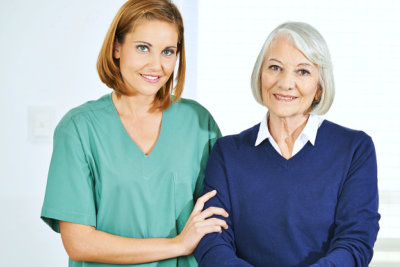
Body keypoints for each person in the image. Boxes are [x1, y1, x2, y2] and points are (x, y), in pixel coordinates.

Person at [40, 1, 229, 266]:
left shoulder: (198, 123)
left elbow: (220, 218)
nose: (156, 65)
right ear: (117, 47)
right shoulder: (79, 129)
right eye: (143, 48)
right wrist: (177, 244)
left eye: (167, 51)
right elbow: (79, 243)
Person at [194, 22, 380, 267]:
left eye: (302, 71)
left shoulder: (355, 149)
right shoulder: (227, 153)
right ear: (260, 75)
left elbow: (356, 242)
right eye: (275, 67)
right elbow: (211, 241)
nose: (285, 83)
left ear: (319, 87)